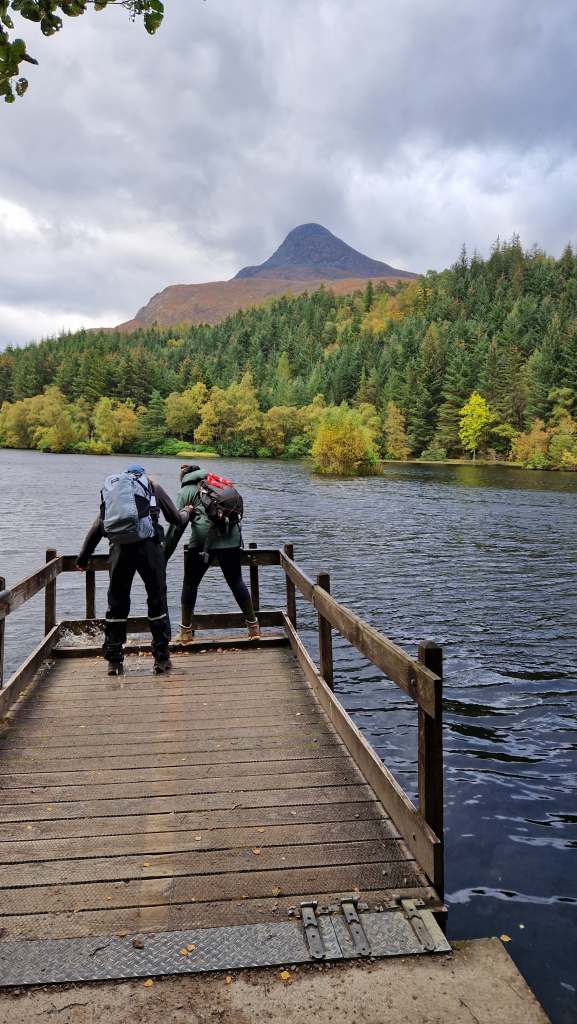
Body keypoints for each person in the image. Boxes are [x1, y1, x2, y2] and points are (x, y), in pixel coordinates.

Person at [76, 464, 192, 676]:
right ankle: (161, 659)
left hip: (119, 550)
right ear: (143, 475)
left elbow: (98, 527)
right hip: (149, 549)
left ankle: (114, 661)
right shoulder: (152, 487)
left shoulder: (115, 491)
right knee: (157, 600)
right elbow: (175, 519)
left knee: (117, 602)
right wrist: (187, 511)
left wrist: (82, 559)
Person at [163, 464, 260, 643]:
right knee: (236, 581)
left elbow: (177, 526)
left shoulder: (186, 491)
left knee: (190, 584)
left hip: (202, 542)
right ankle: (254, 628)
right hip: (231, 540)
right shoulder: (217, 483)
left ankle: (185, 632)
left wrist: (163, 556)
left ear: (184, 477)